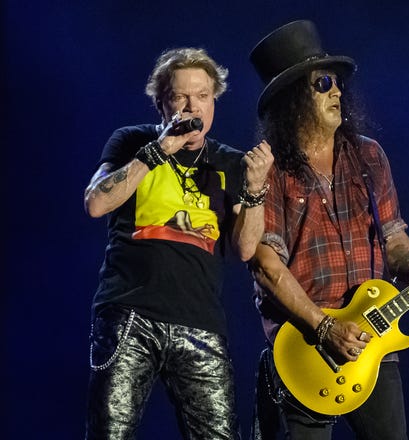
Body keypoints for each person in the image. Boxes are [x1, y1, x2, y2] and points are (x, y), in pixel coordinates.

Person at [247, 21, 409, 440]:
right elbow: (266, 266)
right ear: (292, 99)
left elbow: (394, 240)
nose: (337, 91)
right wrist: (323, 327)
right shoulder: (271, 172)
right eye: (323, 83)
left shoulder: (369, 156)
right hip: (305, 347)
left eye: (337, 83)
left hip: (372, 342)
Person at [84, 47, 273, 439]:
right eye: (180, 97)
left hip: (200, 325)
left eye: (203, 96)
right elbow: (96, 202)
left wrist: (255, 191)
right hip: (130, 316)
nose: (193, 108)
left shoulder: (229, 163)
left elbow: (245, 249)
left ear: (214, 101)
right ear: (161, 103)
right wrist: (157, 152)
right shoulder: (131, 141)